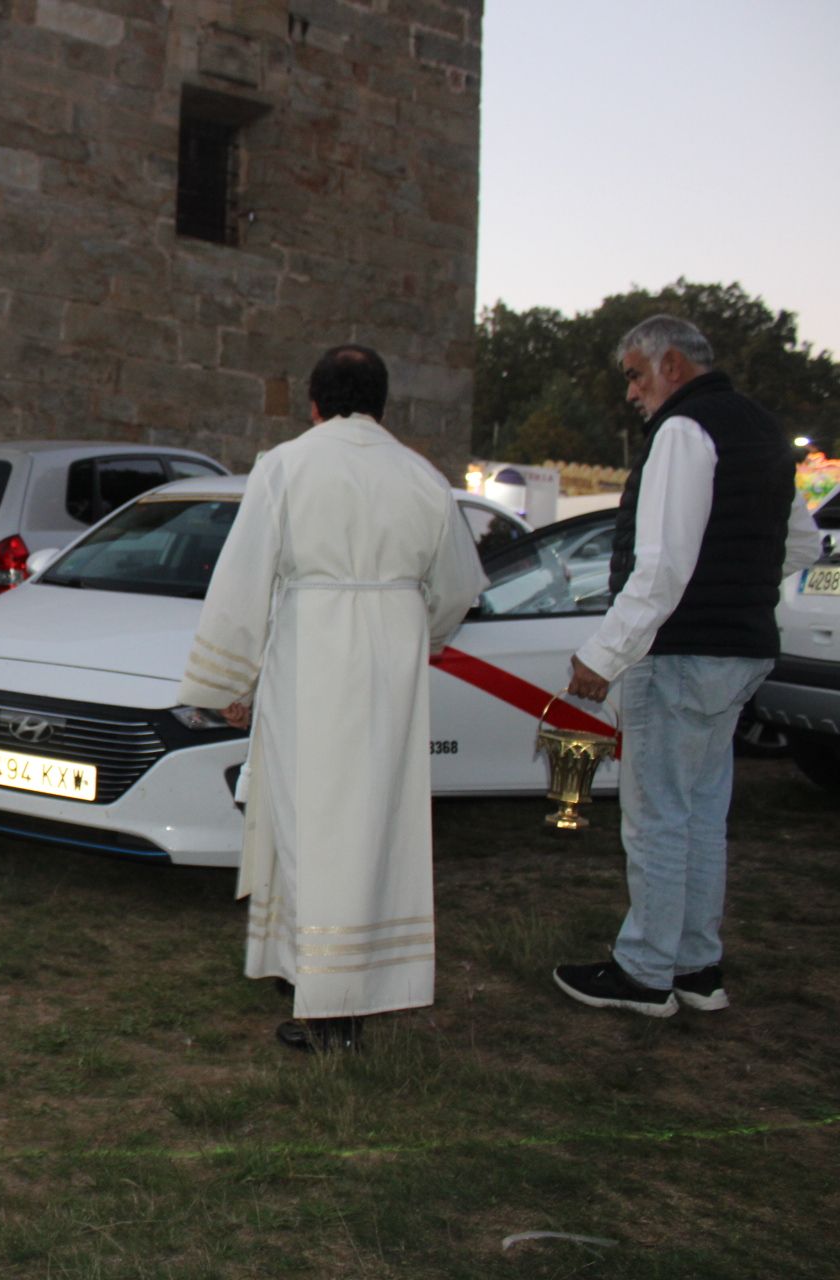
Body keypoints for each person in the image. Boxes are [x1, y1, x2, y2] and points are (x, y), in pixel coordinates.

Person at [176, 345, 486, 1053]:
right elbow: (462, 588)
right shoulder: (422, 477)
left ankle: (330, 1008)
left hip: (312, 662)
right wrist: (419, 632)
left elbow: (244, 578)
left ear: (314, 402)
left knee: (312, 820)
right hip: (391, 670)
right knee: (373, 823)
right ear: (381, 404)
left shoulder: (287, 465)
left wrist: (231, 682)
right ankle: (323, 973)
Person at [555, 315, 822, 1017]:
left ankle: (645, 972)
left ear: (670, 364)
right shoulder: (762, 428)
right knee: (702, 812)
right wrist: (738, 586)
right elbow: (800, 547)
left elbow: (661, 567)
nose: (632, 394)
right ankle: (696, 966)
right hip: (742, 647)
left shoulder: (682, 430)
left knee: (658, 817)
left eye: (635, 376)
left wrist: (602, 655)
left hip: (678, 650)